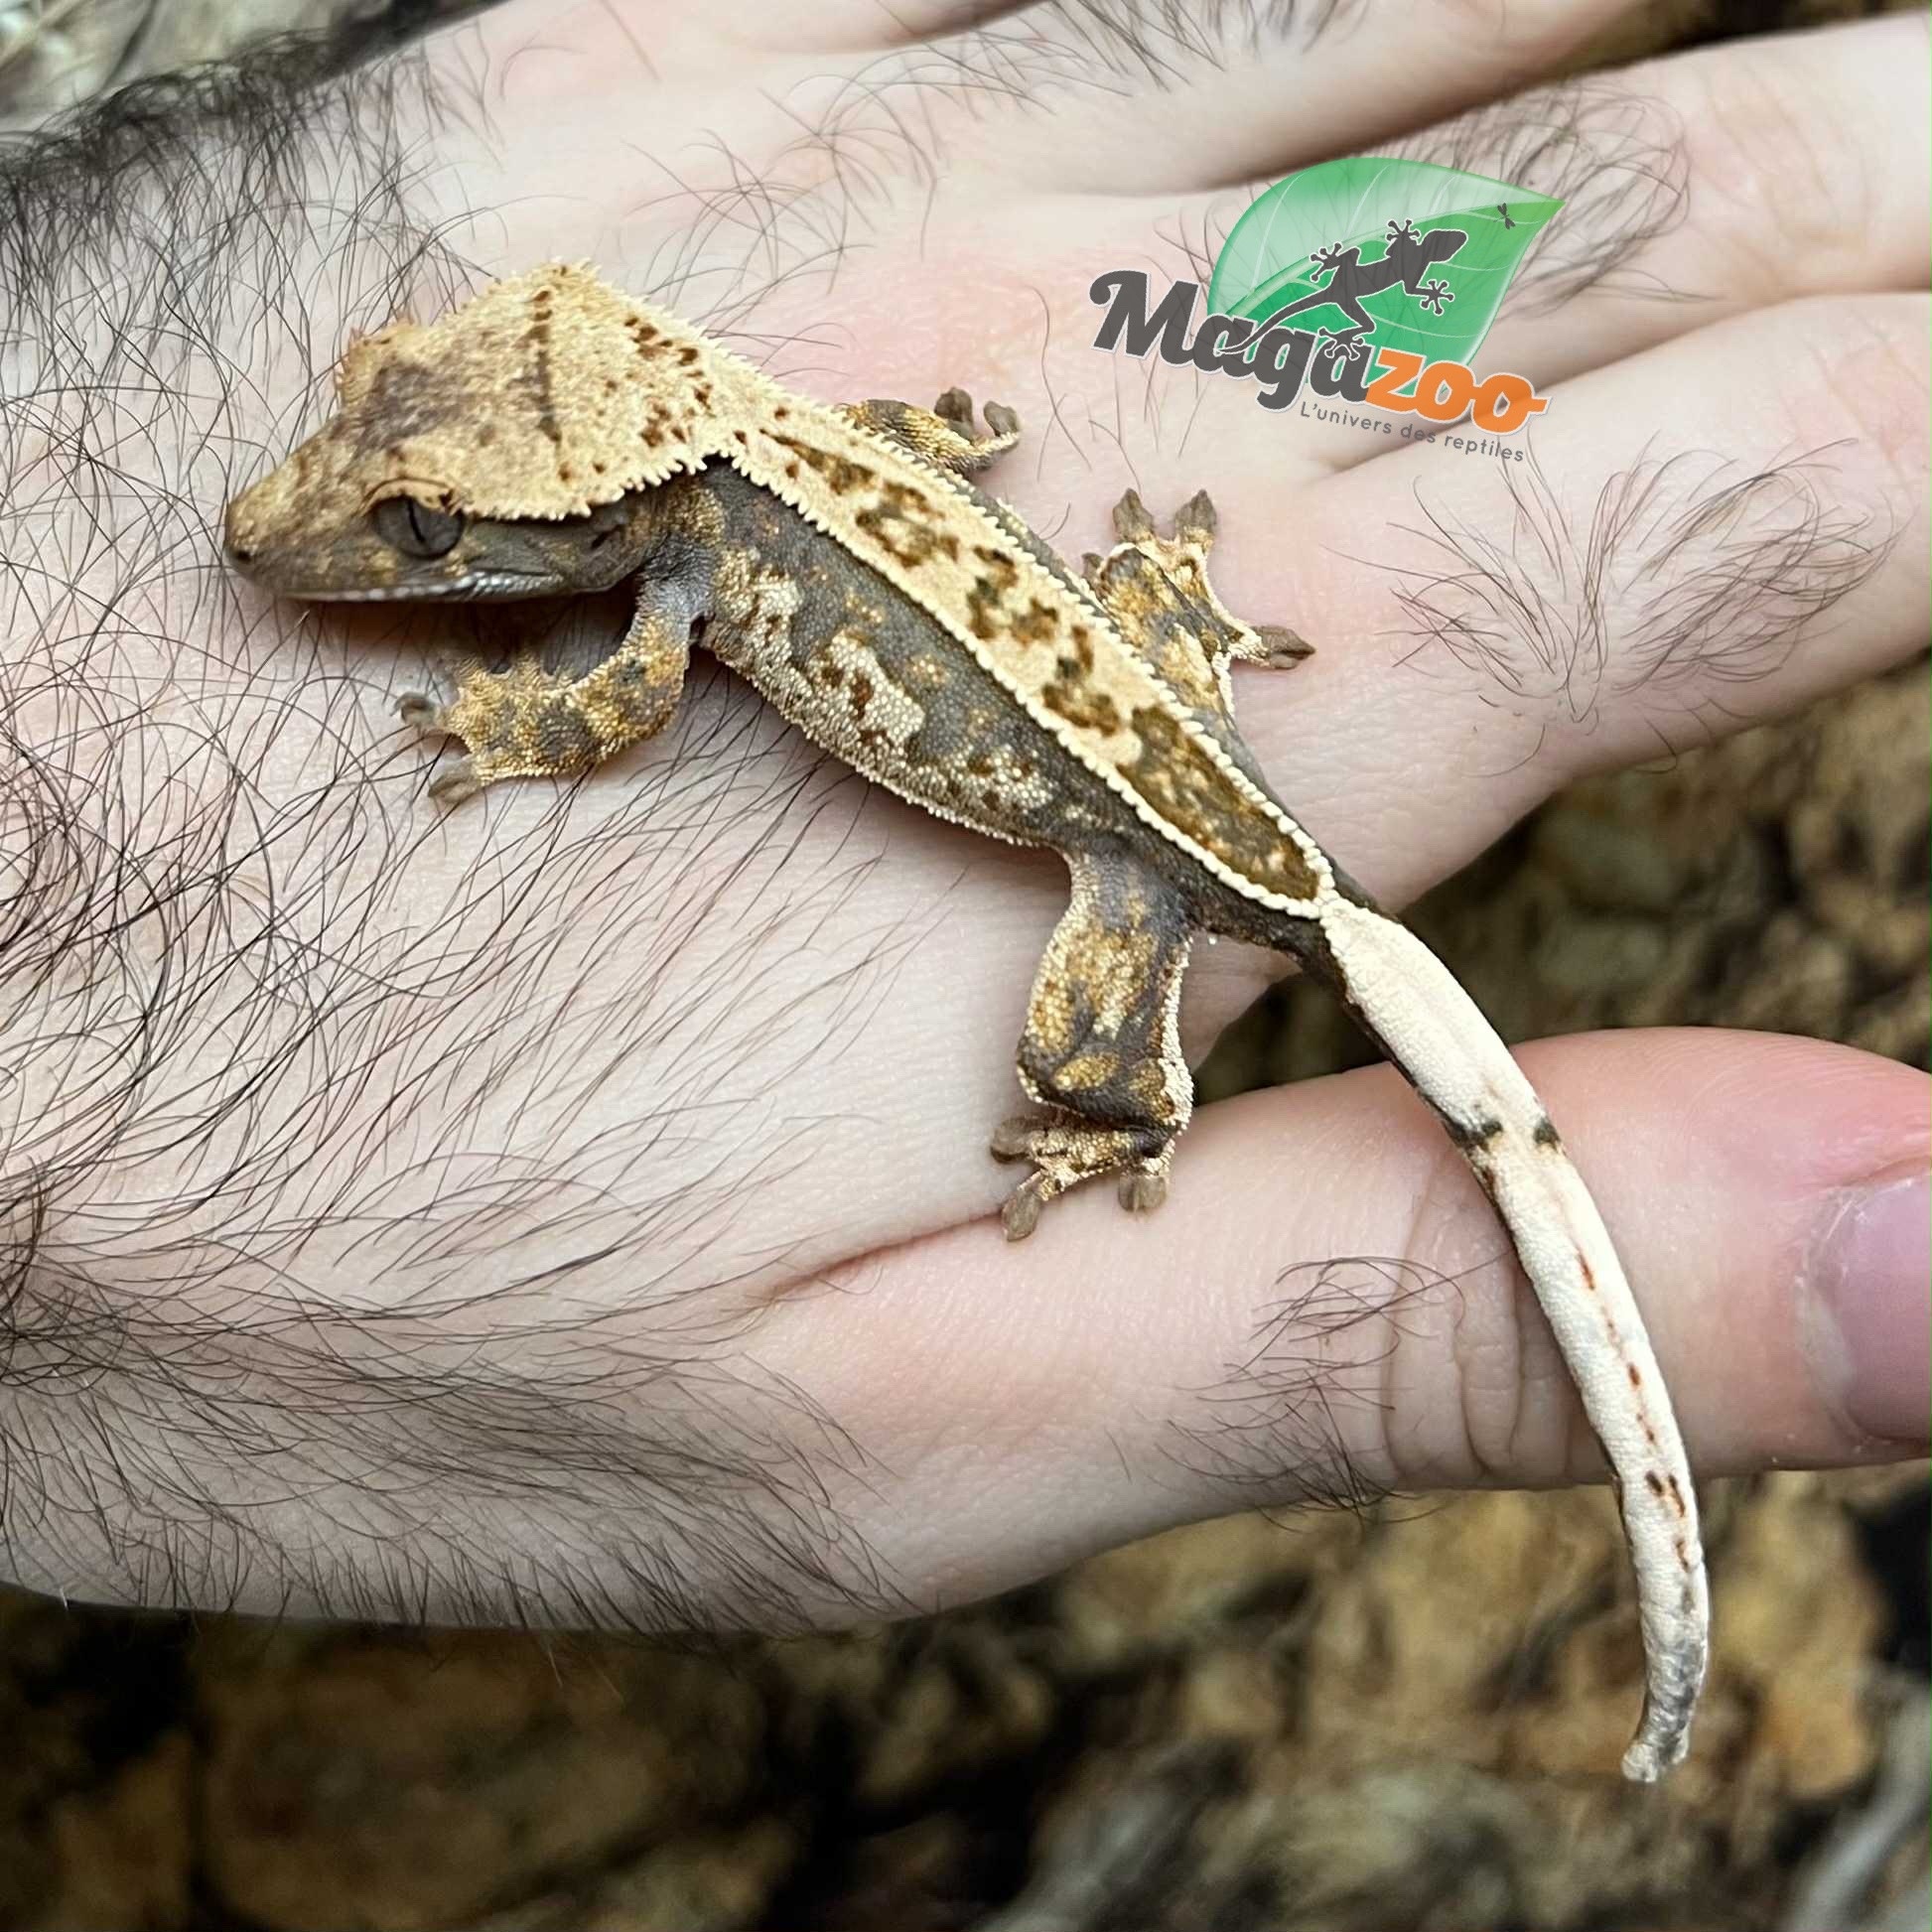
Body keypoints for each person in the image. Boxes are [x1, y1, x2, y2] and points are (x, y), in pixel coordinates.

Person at [0, 0, 1924, 1634]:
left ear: (599, 504)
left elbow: (606, 709)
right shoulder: (756, 460)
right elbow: (909, 464)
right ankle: (1167, 662)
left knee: (1089, 1020)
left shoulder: (682, 575)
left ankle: (1115, 1105)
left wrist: (515, 726)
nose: (331, 530)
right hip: (1136, 673)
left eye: (424, 528)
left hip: (1148, 844)